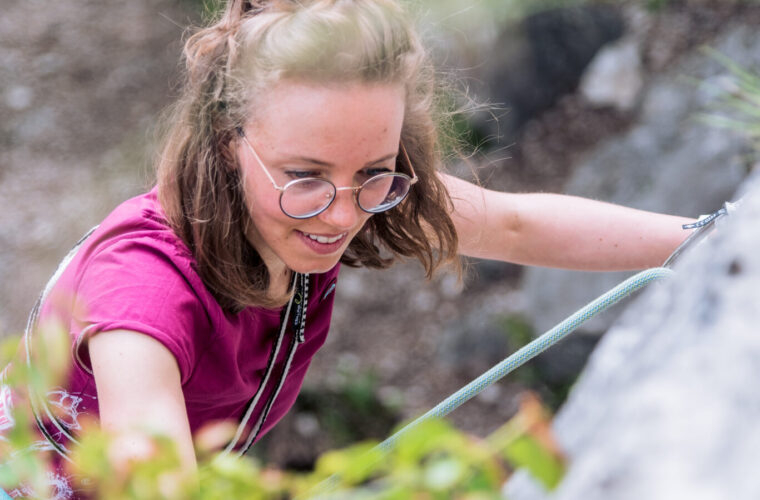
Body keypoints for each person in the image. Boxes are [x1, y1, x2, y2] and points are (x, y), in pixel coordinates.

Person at [1, 0, 693, 497]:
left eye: (373, 172)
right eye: (305, 177)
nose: (340, 216)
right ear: (226, 141)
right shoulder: (143, 300)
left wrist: (705, 239)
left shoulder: (327, 200)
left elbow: (514, 227)